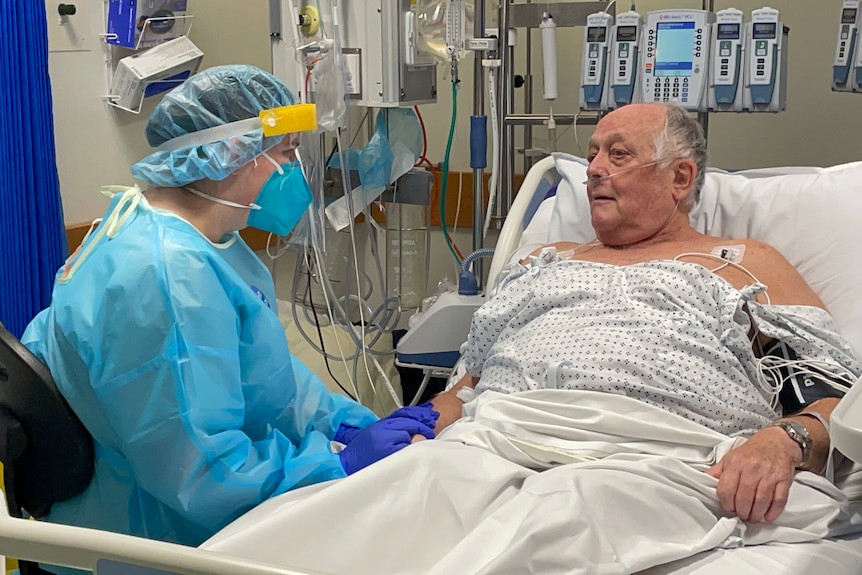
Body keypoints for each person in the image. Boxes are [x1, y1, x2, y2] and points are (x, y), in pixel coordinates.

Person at [199, 103, 861, 575]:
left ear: (680, 180)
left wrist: (784, 440)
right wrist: (426, 421)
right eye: (593, 153)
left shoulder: (740, 261)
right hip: (500, 435)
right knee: (378, 500)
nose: (594, 168)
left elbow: (835, 398)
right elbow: (472, 382)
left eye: (618, 154)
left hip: (648, 455)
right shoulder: (543, 262)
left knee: (562, 513)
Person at [21, 65, 436, 549]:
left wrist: (344, 421)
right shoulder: (167, 275)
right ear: (232, 154)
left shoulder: (193, 237)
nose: (296, 172)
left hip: (168, 504)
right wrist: (335, 464)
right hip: (148, 535)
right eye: (286, 153)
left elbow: (267, 376)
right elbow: (200, 472)